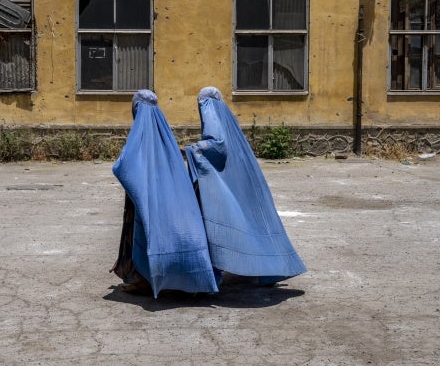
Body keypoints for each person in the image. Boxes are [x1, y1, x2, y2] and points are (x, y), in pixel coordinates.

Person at [184, 87, 307, 285]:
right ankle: (270, 267)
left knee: (215, 223)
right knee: (249, 220)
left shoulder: (209, 107)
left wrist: (191, 149)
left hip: (219, 184)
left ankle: (214, 273)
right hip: (238, 180)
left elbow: (217, 145)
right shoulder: (227, 118)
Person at [111, 90, 219, 298]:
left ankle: (144, 280)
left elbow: (123, 166)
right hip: (170, 198)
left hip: (145, 198)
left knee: (143, 232)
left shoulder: (141, 131)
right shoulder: (164, 131)